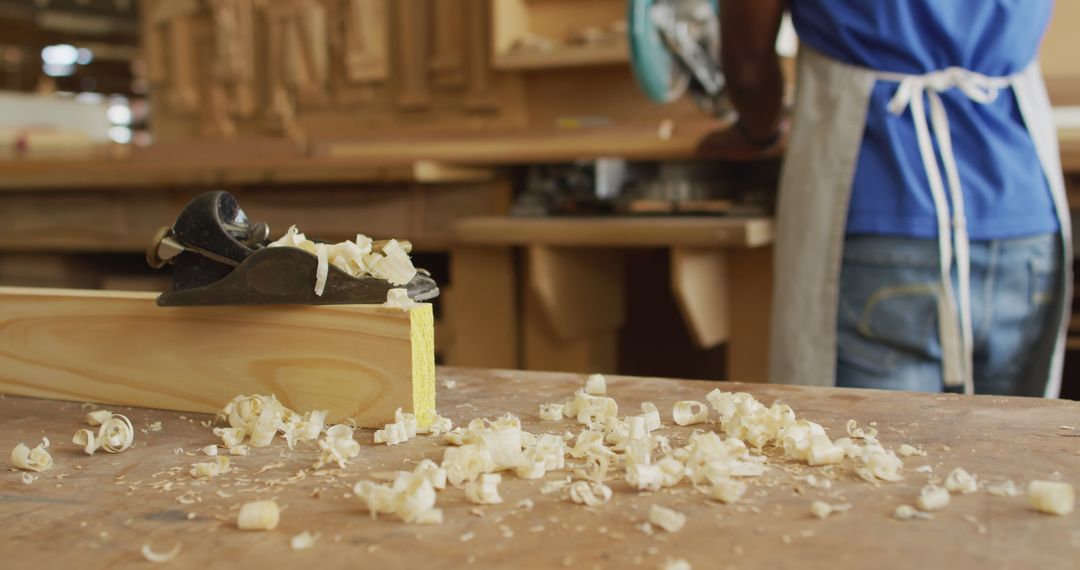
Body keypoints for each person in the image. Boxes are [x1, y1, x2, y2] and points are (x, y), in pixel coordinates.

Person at [706, 1, 1072, 396]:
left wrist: (760, 132)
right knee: (1006, 452)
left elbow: (747, 69)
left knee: (867, 451)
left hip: (879, 211)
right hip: (1024, 217)